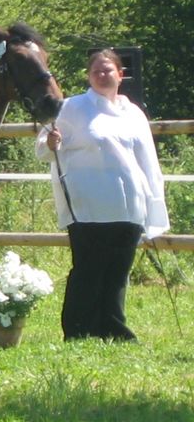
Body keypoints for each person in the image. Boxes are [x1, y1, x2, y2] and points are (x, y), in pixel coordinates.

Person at [35, 49, 170, 342]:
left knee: (118, 271)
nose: (101, 75)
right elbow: (43, 149)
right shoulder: (72, 108)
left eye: (108, 70)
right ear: (88, 76)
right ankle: (79, 329)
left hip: (129, 205)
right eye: (95, 70)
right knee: (89, 269)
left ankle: (112, 328)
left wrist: (153, 199)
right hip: (88, 206)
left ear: (121, 75)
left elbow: (147, 159)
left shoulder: (133, 113)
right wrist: (52, 142)